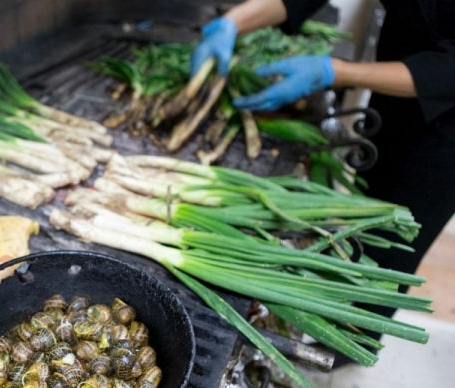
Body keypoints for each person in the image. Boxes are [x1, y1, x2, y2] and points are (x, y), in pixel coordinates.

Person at [191, 0, 455, 323]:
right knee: (368, 206)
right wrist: (233, 22)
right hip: (401, 71)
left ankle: (355, 332)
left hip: (447, 137)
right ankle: (333, 290)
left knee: (396, 241)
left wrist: (336, 71)